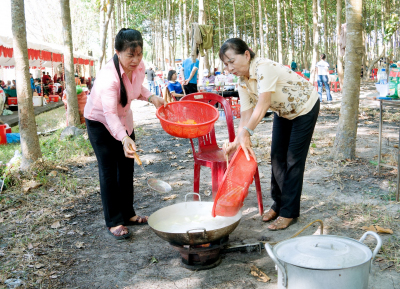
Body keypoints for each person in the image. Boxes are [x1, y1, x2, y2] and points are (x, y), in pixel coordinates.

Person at [220, 38, 319, 231]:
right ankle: (278, 204)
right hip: (283, 111)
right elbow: (246, 114)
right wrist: (237, 140)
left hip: (305, 107)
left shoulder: (264, 68)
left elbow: (263, 103)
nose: (229, 67)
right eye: (226, 64)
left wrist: (248, 133)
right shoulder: (243, 81)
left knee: (293, 160)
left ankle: (289, 212)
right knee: (276, 158)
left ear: (246, 55)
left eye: (232, 61)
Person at [84, 28, 164, 240]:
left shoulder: (139, 67)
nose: (136, 59)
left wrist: (151, 97)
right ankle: (114, 220)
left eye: (139, 54)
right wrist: (123, 138)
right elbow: (109, 114)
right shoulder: (108, 78)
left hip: (123, 120)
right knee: (109, 170)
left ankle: (128, 214)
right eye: (131, 54)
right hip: (100, 122)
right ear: (118, 52)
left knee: (127, 166)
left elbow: (136, 89)